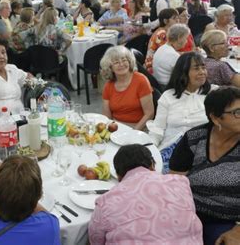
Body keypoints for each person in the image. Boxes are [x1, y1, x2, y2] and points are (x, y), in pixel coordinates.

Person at [89, 144, 203, 245]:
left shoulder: (106, 201)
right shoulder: (180, 183)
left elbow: (95, 240)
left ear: (118, 176)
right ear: (153, 165)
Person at [169, 87, 240, 245]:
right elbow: (174, 183)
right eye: (237, 113)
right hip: (188, 212)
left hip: (228, 220)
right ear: (215, 118)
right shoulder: (195, 138)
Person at [148, 52, 214, 172]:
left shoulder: (213, 94)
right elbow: (158, 128)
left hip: (202, 151)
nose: (202, 72)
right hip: (171, 148)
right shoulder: (168, 96)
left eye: (203, 67)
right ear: (183, 72)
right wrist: (150, 149)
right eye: (196, 68)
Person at [101, 46, 154, 130]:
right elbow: (107, 117)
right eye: (116, 62)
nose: (121, 64)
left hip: (139, 127)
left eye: (124, 60)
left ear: (129, 62)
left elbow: (149, 114)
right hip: (117, 127)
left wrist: (134, 132)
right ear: (110, 67)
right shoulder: (108, 86)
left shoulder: (141, 80)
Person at [145, 8, 180, 73]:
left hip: (160, 63)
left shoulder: (166, 32)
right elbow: (168, 54)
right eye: (174, 18)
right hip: (153, 67)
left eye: (178, 18)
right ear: (165, 21)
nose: (178, 20)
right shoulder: (161, 34)